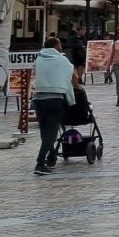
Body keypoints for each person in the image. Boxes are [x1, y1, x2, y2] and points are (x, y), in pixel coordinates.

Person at [30, 37, 74, 175]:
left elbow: (35, 76)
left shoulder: (39, 59)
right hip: (55, 99)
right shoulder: (62, 60)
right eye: (60, 44)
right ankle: (40, 162)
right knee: (51, 132)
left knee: (44, 131)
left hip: (39, 99)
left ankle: (51, 156)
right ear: (56, 46)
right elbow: (69, 79)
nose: (61, 46)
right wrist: (71, 100)